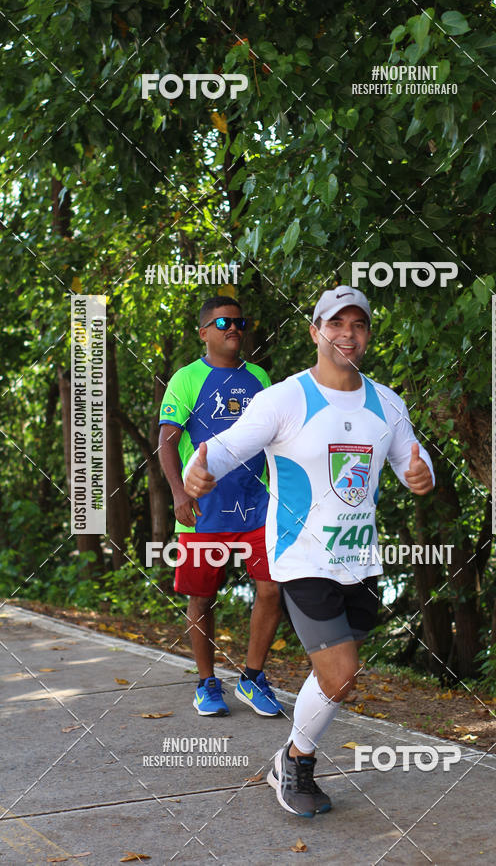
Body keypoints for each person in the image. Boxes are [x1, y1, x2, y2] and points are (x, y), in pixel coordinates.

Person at [182, 286, 434, 815]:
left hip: (359, 559)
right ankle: (297, 762)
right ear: (315, 331)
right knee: (341, 674)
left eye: (358, 325)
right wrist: (197, 470)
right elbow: (225, 448)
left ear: (367, 335)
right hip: (301, 558)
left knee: (335, 679)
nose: (347, 334)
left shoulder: (387, 402)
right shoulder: (284, 398)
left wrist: (420, 474)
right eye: (335, 323)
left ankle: (289, 760)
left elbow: (410, 459)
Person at [158, 296, 284, 718]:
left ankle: (252, 677)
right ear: (204, 332)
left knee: (271, 589)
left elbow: (274, 439)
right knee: (202, 597)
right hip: (203, 511)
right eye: (224, 322)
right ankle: (206, 683)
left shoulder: (260, 377)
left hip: (256, 506)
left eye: (240, 322)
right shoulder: (186, 379)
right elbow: (166, 443)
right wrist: (179, 493)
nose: (234, 328)